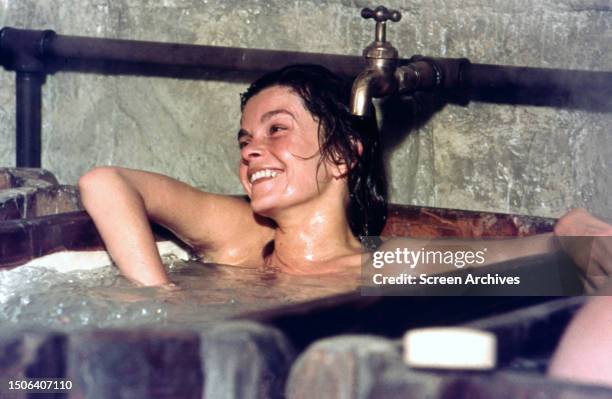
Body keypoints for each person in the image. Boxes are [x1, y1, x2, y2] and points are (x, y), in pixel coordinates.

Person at [79, 64, 612, 289]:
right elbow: (104, 182)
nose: (252, 153)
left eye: (276, 130)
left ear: (341, 155)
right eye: (245, 142)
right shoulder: (243, 237)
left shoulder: (381, 266)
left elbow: (488, 258)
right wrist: (159, 303)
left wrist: (568, 239)